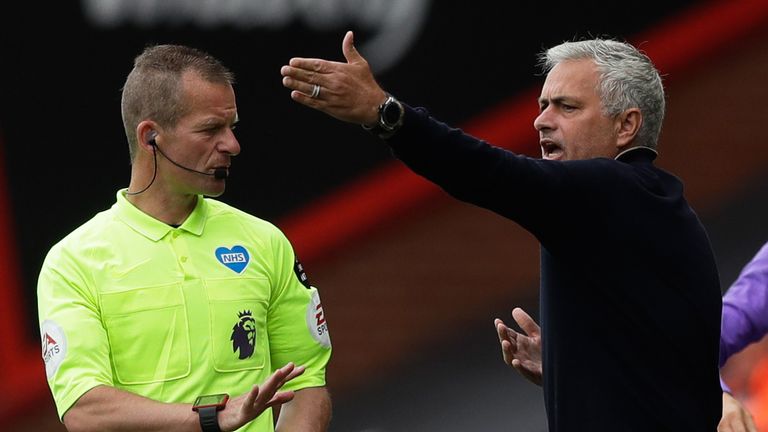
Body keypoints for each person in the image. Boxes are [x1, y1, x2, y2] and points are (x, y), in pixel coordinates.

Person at [280, 31, 722, 430]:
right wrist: (570, 367)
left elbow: (488, 172)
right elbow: (662, 366)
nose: (542, 121)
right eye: (543, 105)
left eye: (567, 107)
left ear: (626, 126)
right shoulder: (646, 205)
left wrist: (386, 113)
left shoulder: (615, 190)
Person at [38, 44, 332, 432]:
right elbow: (86, 410)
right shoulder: (72, 262)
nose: (232, 145)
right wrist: (212, 419)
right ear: (150, 138)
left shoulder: (265, 241)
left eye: (232, 127)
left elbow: (308, 384)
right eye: (211, 129)